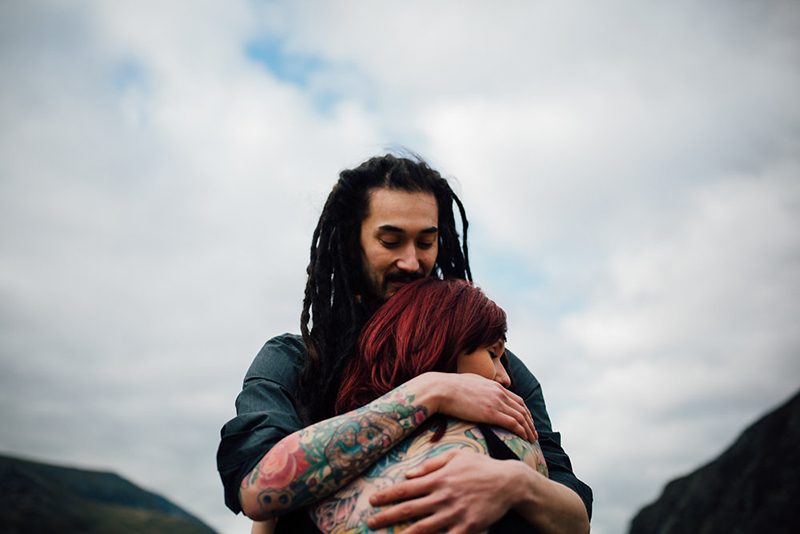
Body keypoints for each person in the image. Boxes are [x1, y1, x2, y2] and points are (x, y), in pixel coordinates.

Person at [217, 154, 592, 533]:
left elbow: (576, 517)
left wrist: (517, 483)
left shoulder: (499, 369)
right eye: (391, 240)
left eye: (426, 242)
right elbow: (255, 488)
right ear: (351, 243)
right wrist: (432, 391)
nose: (411, 262)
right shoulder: (294, 360)